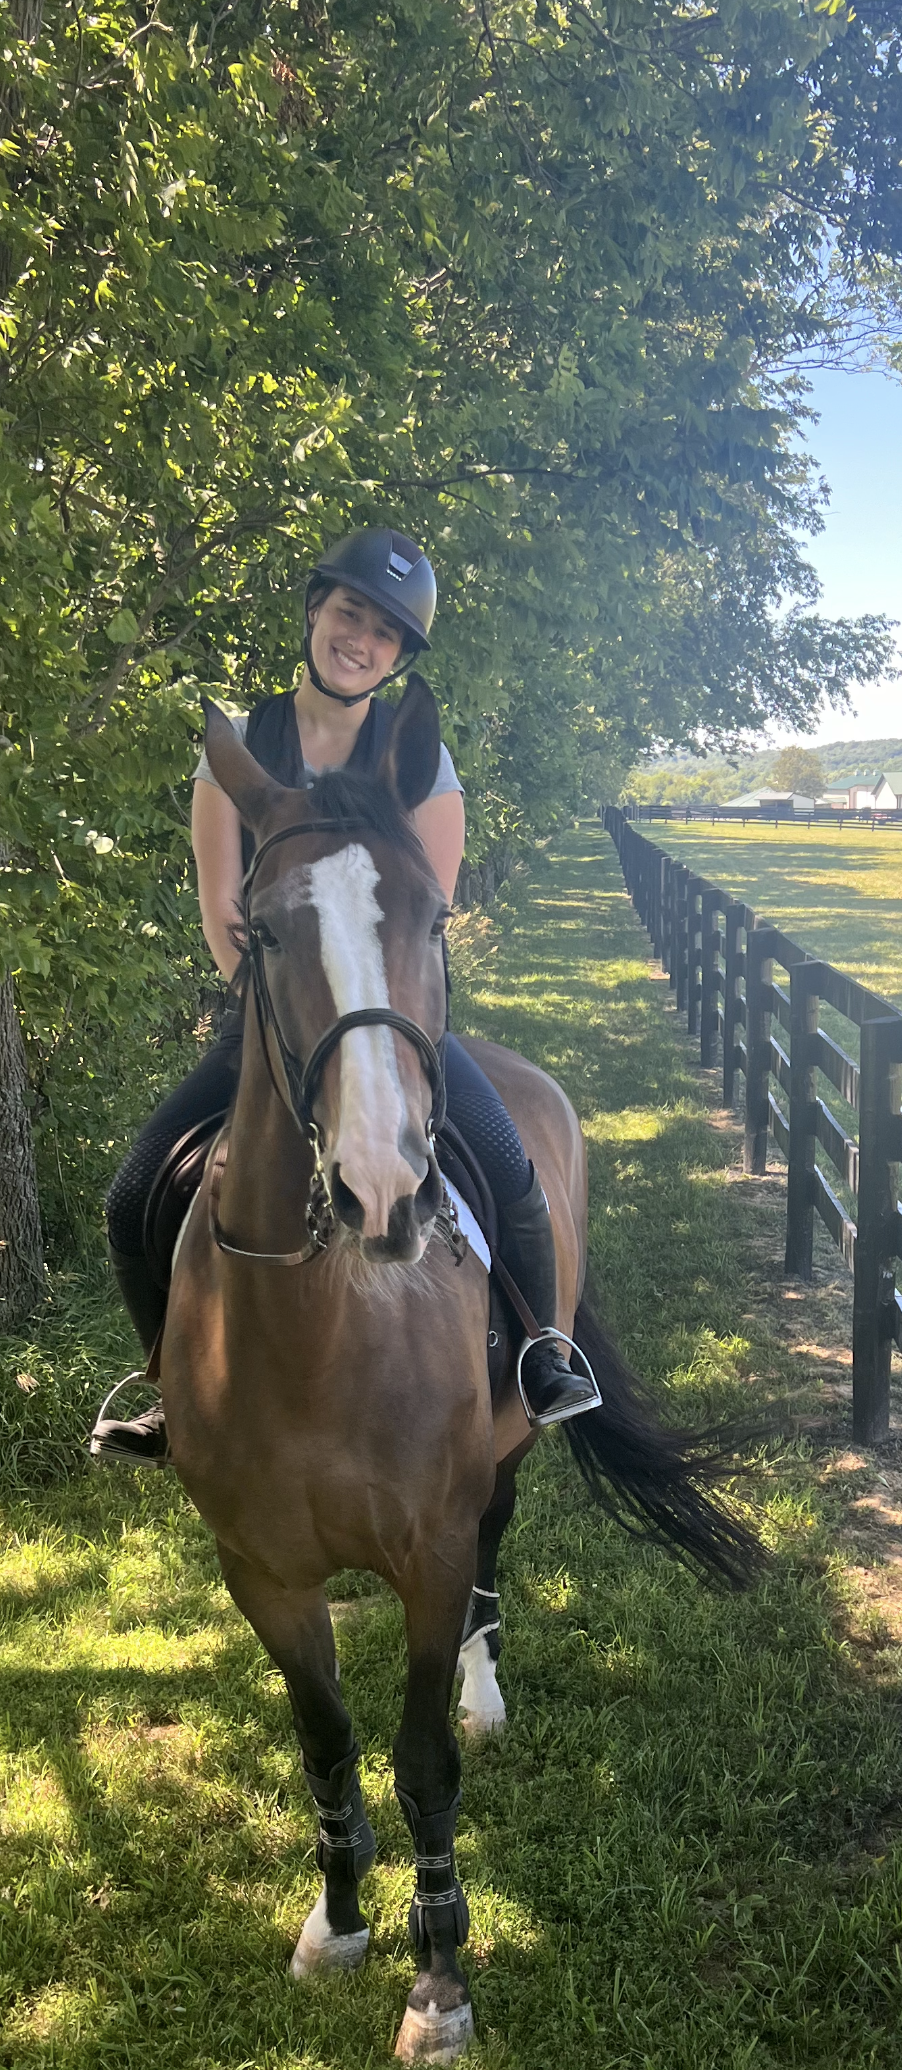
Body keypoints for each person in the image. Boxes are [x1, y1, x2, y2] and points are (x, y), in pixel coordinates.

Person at [92, 527, 599, 1462]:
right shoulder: (244, 747)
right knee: (132, 1196)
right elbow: (221, 909)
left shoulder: (416, 762)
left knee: (514, 1175)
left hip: (395, 1021)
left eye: (385, 634)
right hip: (272, 1021)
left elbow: (423, 922)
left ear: (400, 655)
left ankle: (541, 1353)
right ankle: (169, 1385)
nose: (360, 640)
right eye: (349, 613)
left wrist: (374, 1032)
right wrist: (284, 1024)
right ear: (316, 612)